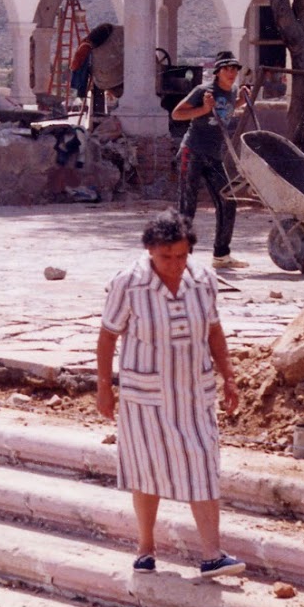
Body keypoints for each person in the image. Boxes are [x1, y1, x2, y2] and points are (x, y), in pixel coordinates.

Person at [96, 210, 245, 580]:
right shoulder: (129, 283)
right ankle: (145, 548)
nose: (176, 265)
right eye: (167, 257)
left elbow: (213, 330)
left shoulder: (203, 279)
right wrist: (103, 387)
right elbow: (107, 337)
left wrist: (229, 376)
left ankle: (212, 554)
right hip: (145, 393)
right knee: (146, 468)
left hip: (195, 392)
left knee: (203, 462)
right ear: (150, 251)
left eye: (182, 256)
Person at [170, 51, 250, 270]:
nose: (232, 73)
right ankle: (179, 256)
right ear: (218, 72)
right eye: (227, 69)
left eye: (235, 69)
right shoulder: (203, 91)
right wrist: (203, 109)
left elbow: (226, 109)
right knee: (187, 205)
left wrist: (241, 99)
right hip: (193, 151)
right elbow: (177, 114)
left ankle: (221, 255)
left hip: (214, 156)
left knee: (228, 200)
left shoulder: (232, 91)